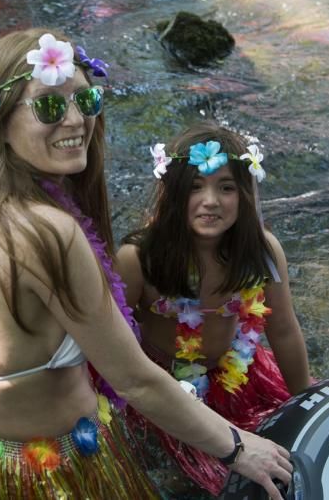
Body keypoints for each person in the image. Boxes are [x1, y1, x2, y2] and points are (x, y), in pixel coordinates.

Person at [0, 28, 293, 499]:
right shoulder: (46, 231)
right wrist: (237, 447)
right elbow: (135, 379)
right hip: (59, 475)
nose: (75, 120)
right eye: (48, 106)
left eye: (86, 100)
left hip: (5, 462)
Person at [117, 123, 311, 496]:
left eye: (226, 187)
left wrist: (307, 402)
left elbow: (283, 329)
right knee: (203, 483)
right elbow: (112, 346)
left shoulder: (262, 252)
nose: (211, 200)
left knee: (287, 463)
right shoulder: (140, 260)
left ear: (244, 195)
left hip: (239, 372)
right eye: (195, 188)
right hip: (169, 384)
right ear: (172, 194)